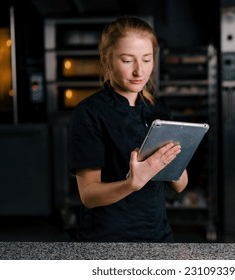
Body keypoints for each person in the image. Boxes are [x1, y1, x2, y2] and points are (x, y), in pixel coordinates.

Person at [68, 16, 188, 242]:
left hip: (157, 236)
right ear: (106, 60)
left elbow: (181, 185)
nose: (139, 71)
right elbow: (89, 195)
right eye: (127, 60)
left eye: (146, 59)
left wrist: (171, 162)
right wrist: (131, 184)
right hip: (108, 240)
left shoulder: (158, 110)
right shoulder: (89, 113)